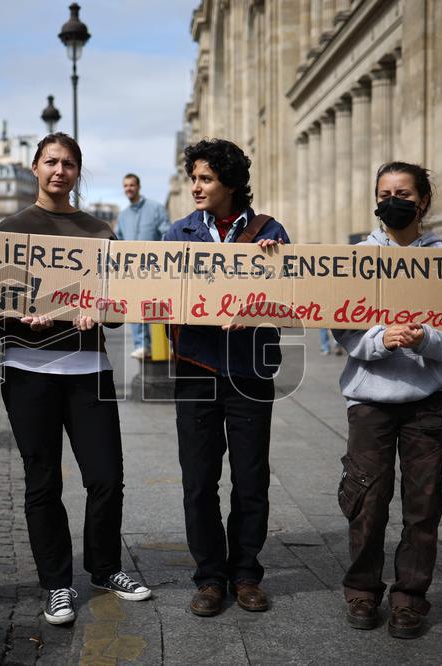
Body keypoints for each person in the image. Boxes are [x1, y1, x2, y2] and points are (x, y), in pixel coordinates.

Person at [0, 133, 151, 626]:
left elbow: (119, 308)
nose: (59, 171)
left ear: (78, 172)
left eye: (68, 163)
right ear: (36, 168)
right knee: (42, 483)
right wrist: (22, 321)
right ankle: (56, 584)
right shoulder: (9, 228)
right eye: (50, 162)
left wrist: (98, 310)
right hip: (27, 373)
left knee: (106, 478)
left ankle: (104, 568)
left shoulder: (101, 231)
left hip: (90, 372)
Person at [333, 161, 442, 639]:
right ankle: (363, 591)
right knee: (367, 500)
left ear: (423, 201)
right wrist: (380, 338)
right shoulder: (356, 258)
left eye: (404, 192)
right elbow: (342, 326)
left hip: (428, 402)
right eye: (386, 191)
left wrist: (422, 339)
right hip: (370, 399)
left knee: (424, 504)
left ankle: (411, 598)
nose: (394, 199)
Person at [163, 138, 289, 618]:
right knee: (198, 481)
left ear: (231, 183)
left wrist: (272, 270)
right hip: (196, 371)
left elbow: (291, 301)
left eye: (206, 179)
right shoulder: (178, 235)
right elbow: (159, 298)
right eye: (193, 178)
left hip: (250, 373)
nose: (196, 187)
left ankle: (246, 574)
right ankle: (210, 577)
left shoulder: (270, 231)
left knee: (251, 479)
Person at [116, 173, 171, 359]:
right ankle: (142, 345)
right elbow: (118, 240)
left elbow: (167, 233)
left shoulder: (156, 208)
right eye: (125, 186)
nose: (128, 189)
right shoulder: (123, 216)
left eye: (131, 185)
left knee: (157, 307)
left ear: (138, 187)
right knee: (134, 307)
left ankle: (165, 345)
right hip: (132, 271)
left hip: (154, 269)